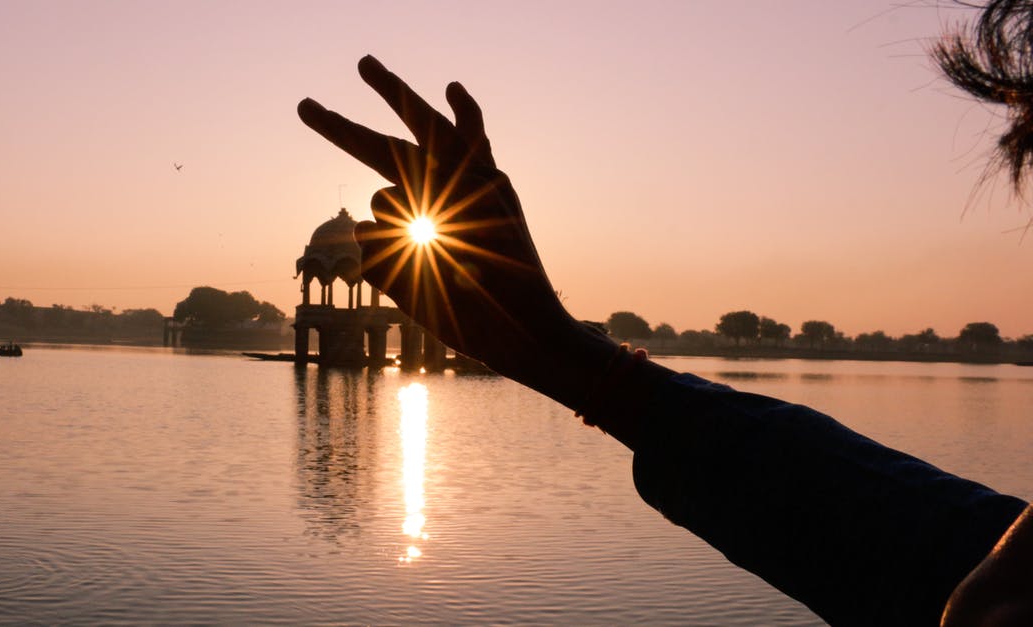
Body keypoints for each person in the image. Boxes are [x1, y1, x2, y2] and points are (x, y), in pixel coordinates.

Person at [297, 16, 1033, 626]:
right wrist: (568, 358)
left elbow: (923, 549)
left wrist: (573, 360)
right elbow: (913, 536)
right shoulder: (997, 568)